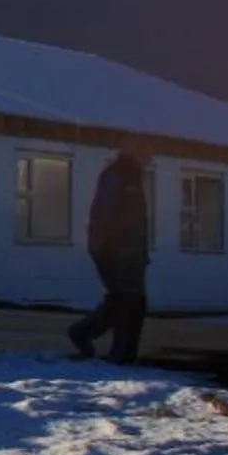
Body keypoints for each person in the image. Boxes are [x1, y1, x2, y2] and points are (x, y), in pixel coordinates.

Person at [70, 147, 152, 363]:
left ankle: (84, 333)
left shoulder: (130, 176)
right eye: (148, 151)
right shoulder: (120, 176)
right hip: (119, 250)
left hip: (127, 251)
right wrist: (102, 246)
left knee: (121, 300)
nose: (151, 156)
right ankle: (122, 355)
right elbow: (104, 212)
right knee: (131, 301)